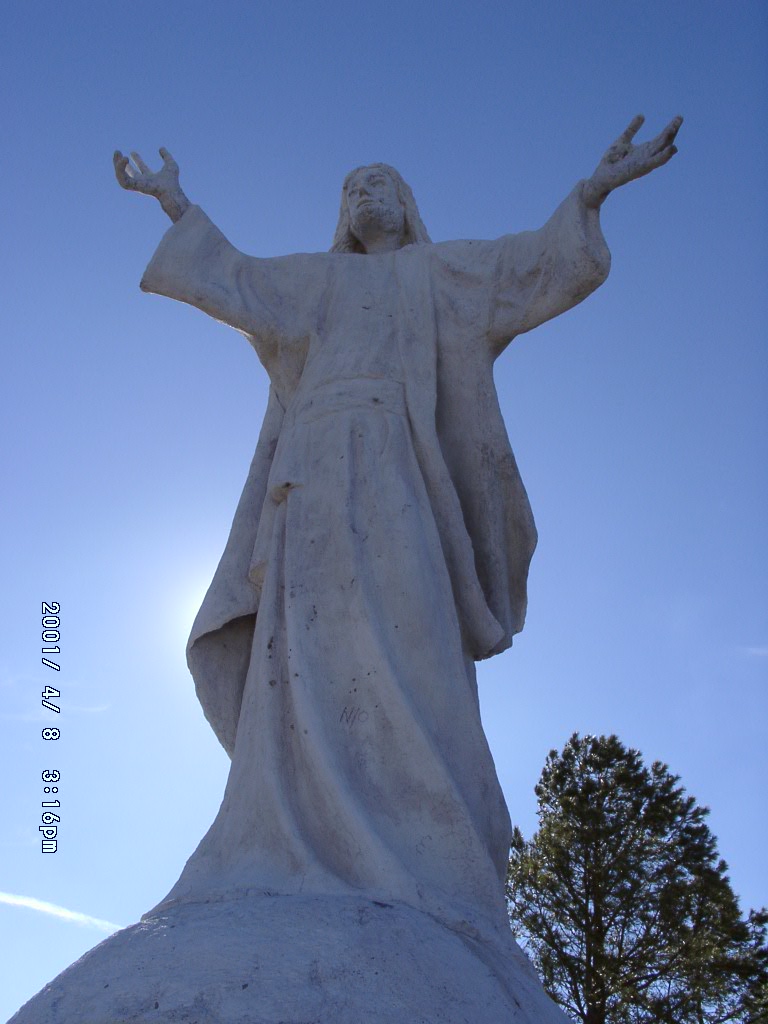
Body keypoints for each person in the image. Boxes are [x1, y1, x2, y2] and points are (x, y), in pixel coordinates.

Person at [114, 115, 681, 945]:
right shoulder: (313, 281)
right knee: (307, 643)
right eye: (351, 187)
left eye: (379, 181)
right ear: (341, 213)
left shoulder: (442, 272)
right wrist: (175, 203)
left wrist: (590, 193)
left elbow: (530, 266)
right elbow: (235, 279)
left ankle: (430, 852)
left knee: (416, 637)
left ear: (407, 202)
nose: (363, 192)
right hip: (309, 473)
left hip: (397, 466)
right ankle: (298, 838)